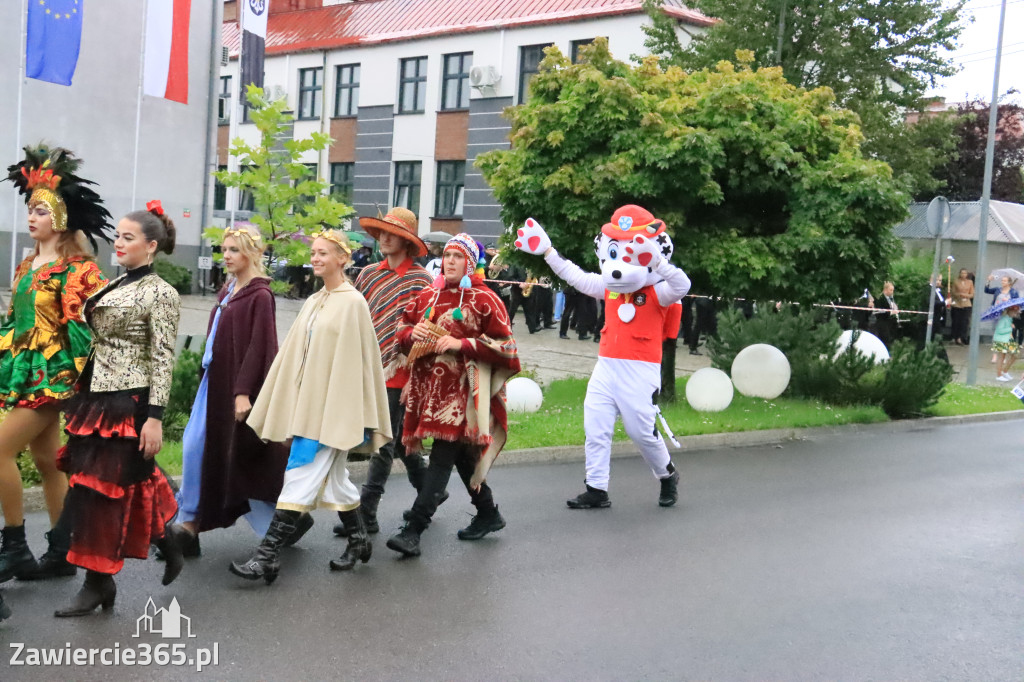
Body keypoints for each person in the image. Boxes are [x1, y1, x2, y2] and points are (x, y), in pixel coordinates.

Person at [231, 229, 391, 584]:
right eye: (314, 253)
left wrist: (343, 412)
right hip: (312, 409)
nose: (316, 258)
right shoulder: (314, 300)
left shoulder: (353, 303)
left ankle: (267, 556)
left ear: (342, 259)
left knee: (299, 477)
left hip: (335, 411)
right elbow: (295, 359)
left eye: (323, 253)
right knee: (337, 484)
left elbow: (357, 366)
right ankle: (359, 539)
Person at [55, 202, 186, 617]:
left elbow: (162, 358)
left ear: (151, 246)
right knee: (116, 482)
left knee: (103, 493)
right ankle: (167, 539)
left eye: (128, 238)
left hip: (126, 400)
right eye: (118, 236)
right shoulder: (118, 283)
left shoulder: (160, 293)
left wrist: (154, 417)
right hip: (95, 396)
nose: (118, 243)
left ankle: (97, 583)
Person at [0, 145, 111, 584]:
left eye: (42, 210)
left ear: (61, 219)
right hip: (26, 378)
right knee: (47, 461)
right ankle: (63, 552)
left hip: (54, 382)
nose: (33, 217)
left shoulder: (78, 270)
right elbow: (15, 324)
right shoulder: (27, 265)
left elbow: (91, 330)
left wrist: (92, 387)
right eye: (30, 208)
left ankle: (14, 547)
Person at [386, 234, 520, 558]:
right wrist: (409, 334)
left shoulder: (486, 299)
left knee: (443, 455)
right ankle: (488, 513)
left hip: (464, 393)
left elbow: (508, 347)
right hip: (429, 390)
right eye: (447, 256)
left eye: (458, 257)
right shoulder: (428, 295)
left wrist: (462, 344)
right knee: (459, 455)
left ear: (470, 263)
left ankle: (414, 530)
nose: (450, 261)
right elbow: (402, 330)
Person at [170, 225, 289, 555]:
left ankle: (277, 523)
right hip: (214, 381)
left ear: (251, 253)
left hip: (234, 387)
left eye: (234, 250)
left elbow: (259, 346)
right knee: (196, 445)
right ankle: (189, 521)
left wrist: (242, 391)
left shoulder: (260, 295)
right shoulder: (228, 291)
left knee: (243, 458)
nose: (227, 255)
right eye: (224, 249)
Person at [332, 207, 441, 538]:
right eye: (381, 232)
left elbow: (430, 325)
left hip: (403, 370)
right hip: (371, 367)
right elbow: (357, 318)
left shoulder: (422, 280)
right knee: (399, 442)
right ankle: (431, 491)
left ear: (407, 241)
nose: (383, 238)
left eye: (391, 233)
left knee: (383, 441)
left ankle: (368, 511)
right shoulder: (368, 275)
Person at [993, 305, 1020, 381]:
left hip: (1008, 339)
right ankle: (999, 375)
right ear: (1009, 311)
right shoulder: (1003, 319)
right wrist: (1010, 328)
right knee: (1001, 357)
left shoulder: (1010, 319)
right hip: (1001, 340)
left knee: (1015, 355)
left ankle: (1004, 371)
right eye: (1014, 311)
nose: (1015, 313)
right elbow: (999, 331)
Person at [871, 281, 899, 347]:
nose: (892, 292)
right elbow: (880, 311)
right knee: (884, 339)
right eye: (891, 290)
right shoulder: (880, 298)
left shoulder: (890, 299)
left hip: (888, 322)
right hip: (881, 322)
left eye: (893, 290)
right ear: (885, 290)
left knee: (888, 339)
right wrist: (891, 312)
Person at [950, 268, 974, 345]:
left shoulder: (970, 282)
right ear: (959, 274)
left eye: (965, 273)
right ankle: (954, 337)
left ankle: (961, 338)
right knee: (956, 321)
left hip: (966, 303)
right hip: (957, 303)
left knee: (964, 322)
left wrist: (966, 295)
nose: (963, 275)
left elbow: (972, 294)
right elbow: (953, 292)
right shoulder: (956, 281)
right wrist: (959, 295)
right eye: (962, 273)